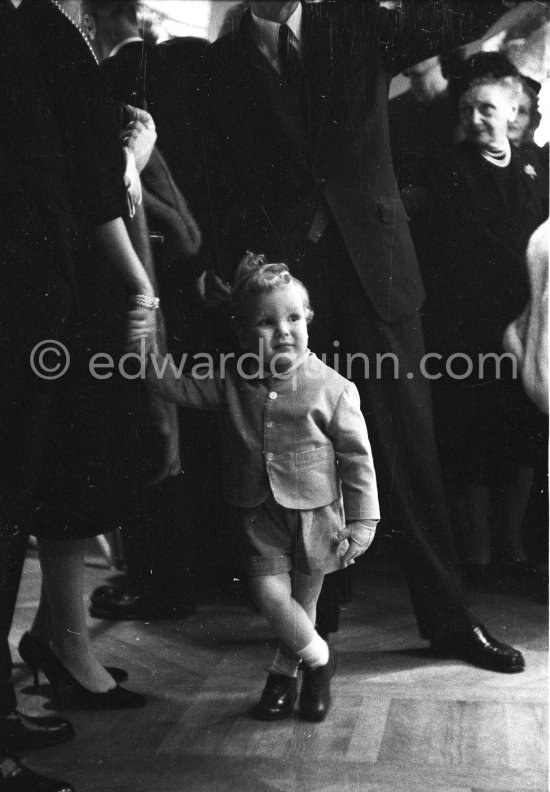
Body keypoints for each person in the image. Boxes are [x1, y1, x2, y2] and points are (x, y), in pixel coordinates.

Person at [196, 0, 525, 673]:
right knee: (300, 445)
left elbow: (451, 22)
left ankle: (448, 619)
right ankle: (319, 617)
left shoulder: (351, 20)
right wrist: (228, 260)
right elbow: (218, 171)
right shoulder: (224, 62)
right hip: (291, 295)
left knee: (411, 447)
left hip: (378, 272)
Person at [0, 1, 156, 765]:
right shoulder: (38, 27)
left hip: (68, 282)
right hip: (71, 287)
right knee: (62, 475)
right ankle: (56, 658)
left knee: (67, 476)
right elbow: (90, 180)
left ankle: (57, 648)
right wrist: (139, 285)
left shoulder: (51, 26)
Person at [147, 253, 380, 722]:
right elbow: (169, 384)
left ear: (308, 319)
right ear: (243, 331)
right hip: (257, 512)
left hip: (318, 515)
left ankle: (282, 675)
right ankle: (320, 661)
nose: (284, 330)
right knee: (270, 596)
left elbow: (358, 461)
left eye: (293, 317)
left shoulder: (333, 388)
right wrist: (143, 340)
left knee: (304, 604)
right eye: (267, 322)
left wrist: (363, 520)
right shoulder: (231, 380)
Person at [82, 0, 212, 621]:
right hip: (178, 295)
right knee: (165, 436)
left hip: (133, 299)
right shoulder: (183, 71)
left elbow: (177, 229)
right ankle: (168, 582)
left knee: (146, 438)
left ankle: (154, 584)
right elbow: (185, 233)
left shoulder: (111, 101)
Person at [425, 52, 548, 579]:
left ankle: (513, 545)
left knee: (524, 436)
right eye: (468, 108)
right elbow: (467, 245)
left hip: (528, 321)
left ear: (513, 108)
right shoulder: (451, 169)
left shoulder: (539, 169)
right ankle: (476, 550)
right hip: (471, 326)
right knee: (474, 438)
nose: (476, 119)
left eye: (488, 109)